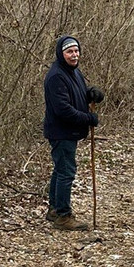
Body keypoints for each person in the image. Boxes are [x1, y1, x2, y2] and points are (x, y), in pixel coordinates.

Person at [43, 36, 104, 230]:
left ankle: (54, 209)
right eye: (70, 51)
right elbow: (64, 110)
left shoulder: (73, 72)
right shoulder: (56, 76)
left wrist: (92, 94)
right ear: (61, 54)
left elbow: (78, 93)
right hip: (61, 132)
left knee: (60, 169)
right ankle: (63, 216)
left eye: (76, 51)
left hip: (69, 132)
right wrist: (88, 119)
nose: (74, 55)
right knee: (66, 172)